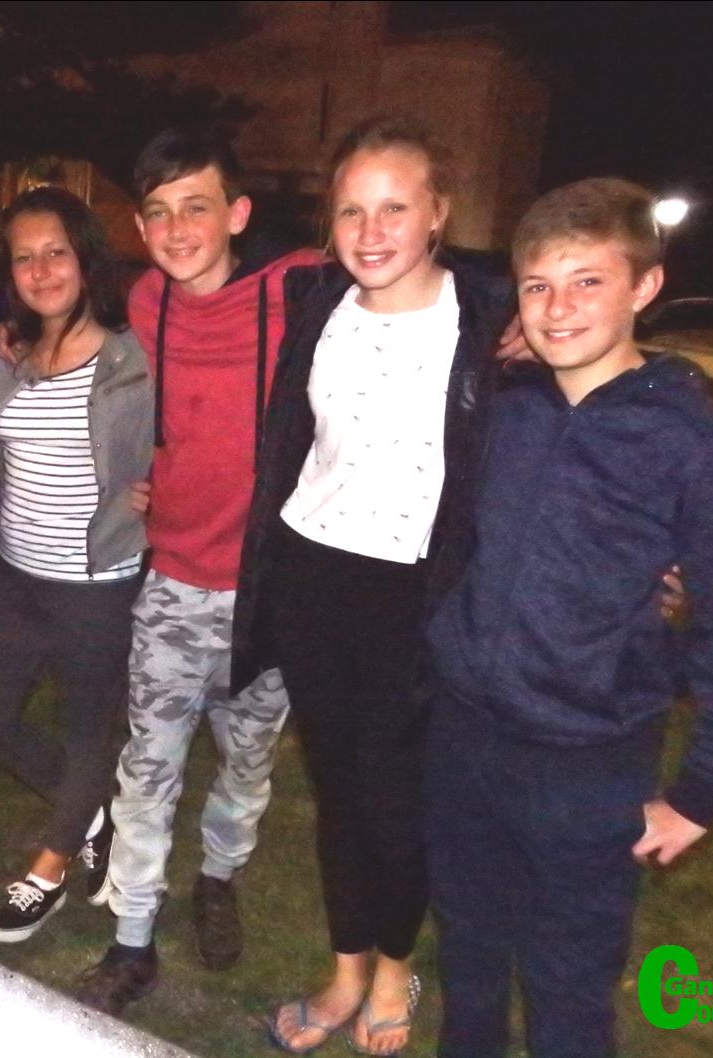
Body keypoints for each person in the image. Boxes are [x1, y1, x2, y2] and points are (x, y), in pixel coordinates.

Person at [423, 177, 713, 1058]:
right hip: (464, 737)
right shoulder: (500, 411)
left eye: (587, 281)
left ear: (644, 286)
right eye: (538, 286)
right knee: (467, 961)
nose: (558, 308)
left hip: (587, 764)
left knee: (568, 991)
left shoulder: (697, 447)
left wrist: (700, 792)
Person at [232, 115, 516, 1055]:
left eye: (394, 207)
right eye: (351, 209)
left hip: (413, 594)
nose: (370, 230)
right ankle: (347, 966)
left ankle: (396, 968)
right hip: (311, 574)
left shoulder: (491, 322)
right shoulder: (316, 306)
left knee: (393, 802)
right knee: (338, 793)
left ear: (438, 212)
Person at [75, 128, 322, 1014]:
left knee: (246, 763)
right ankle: (131, 938)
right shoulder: (146, 301)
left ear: (237, 214)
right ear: (140, 227)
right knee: (147, 768)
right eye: (158, 212)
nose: (177, 230)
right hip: (175, 583)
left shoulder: (299, 288)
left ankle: (218, 877)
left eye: (197, 207)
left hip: (267, 594)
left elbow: (414, 284)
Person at [0, 186, 152, 943]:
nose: (40, 271)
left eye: (56, 253)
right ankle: (94, 810)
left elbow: (191, 433)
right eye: (23, 258)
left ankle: (49, 868)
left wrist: (163, 490)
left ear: (84, 258)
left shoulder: (132, 357)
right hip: (15, 574)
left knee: (86, 730)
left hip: (95, 582)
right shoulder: (12, 358)